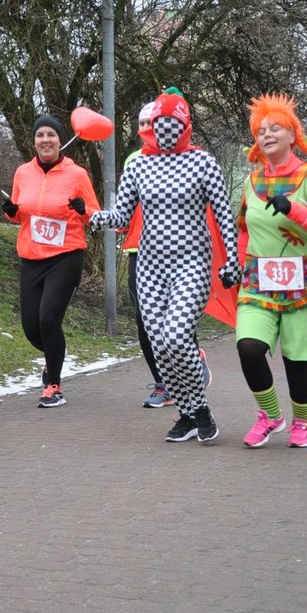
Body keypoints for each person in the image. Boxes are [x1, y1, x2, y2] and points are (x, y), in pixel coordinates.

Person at [90, 87, 238, 443]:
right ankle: (188, 415)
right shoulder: (138, 165)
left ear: (186, 126)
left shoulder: (203, 162)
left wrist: (232, 259)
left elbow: (223, 215)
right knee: (159, 344)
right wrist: (97, 217)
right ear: (151, 127)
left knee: (176, 336)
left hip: (192, 263)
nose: (166, 132)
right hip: (150, 267)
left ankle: (200, 409)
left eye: (174, 125)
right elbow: (123, 215)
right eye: (160, 125)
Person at [236, 93, 307, 449]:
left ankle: (302, 423)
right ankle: (270, 416)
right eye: (261, 130)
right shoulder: (251, 182)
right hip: (258, 282)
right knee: (249, 347)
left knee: (296, 360)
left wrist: (295, 210)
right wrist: (236, 266)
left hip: (305, 283)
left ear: (293, 135)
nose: (267, 134)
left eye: (275, 128)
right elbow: (244, 230)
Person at [2, 114, 100, 407]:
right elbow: (19, 214)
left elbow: (96, 217)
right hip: (32, 257)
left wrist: (83, 210)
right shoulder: (23, 173)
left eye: (51, 135)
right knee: (31, 328)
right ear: (34, 142)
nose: (45, 140)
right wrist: (10, 212)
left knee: (48, 318)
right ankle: (52, 358)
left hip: (65, 256)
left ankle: (53, 386)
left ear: (60, 140)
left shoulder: (77, 175)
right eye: (40, 135)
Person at [122, 102, 211, 408]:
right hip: (141, 250)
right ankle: (164, 383)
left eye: (153, 122)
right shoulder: (134, 161)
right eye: (143, 123)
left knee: (177, 321)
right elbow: (126, 209)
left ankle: (192, 367)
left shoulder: (192, 160)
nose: (149, 128)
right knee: (145, 321)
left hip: (182, 253)